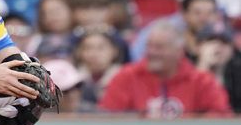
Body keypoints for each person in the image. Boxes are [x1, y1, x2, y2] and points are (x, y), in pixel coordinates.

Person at [99, 21, 231, 118]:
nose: (152, 52)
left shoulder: (202, 81)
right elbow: (108, 119)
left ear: (179, 51)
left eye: (159, 47)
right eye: (149, 46)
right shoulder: (126, 77)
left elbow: (221, 118)